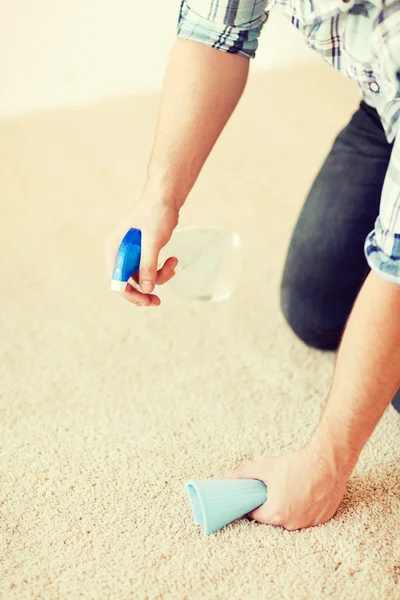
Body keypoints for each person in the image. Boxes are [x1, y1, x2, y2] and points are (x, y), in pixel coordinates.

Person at [105, 0, 400, 530]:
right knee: (316, 307)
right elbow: (212, 33)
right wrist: (158, 199)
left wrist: (325, 467)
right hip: (386, 96)